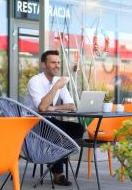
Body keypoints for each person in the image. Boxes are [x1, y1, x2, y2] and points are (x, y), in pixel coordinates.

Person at [24, 50, 85, 186]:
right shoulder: (35, 81)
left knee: (78, 129)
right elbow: (42, 108)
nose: (57, 65)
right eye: (53, 62)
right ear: (44, 65)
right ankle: (59, 173)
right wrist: (56, 87)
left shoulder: (58, 80)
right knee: (56, 131)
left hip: (49, 121)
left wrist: (55, 108)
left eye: (58, 62)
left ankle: (55, 157)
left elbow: (71, 106)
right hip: (31, 123)